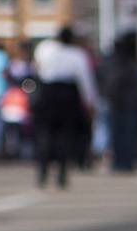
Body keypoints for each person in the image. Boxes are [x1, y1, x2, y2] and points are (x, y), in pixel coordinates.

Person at [32, 26, 98, 190]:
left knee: (45, 135)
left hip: (48, 94)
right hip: (67, 96)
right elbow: (86, 81)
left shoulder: (47, 51)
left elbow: (38, 70)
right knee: (65, 137)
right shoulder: (77, 55)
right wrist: (90, 103)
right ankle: (61, 173)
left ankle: (43, 172)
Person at [103, 32, 137, 173]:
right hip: (126, 102)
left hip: (117, 102)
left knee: (118, 133)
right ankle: (125, 161)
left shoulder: (113, 61)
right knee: (126, 133)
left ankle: (121, 161)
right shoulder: (128, 62)